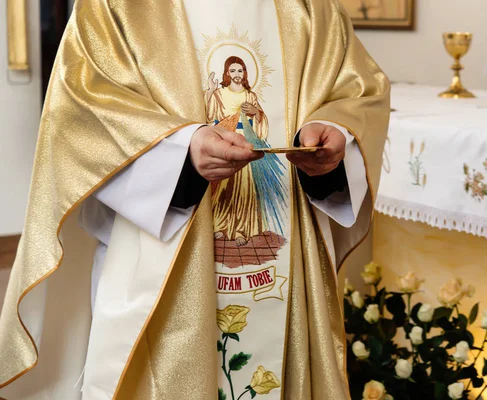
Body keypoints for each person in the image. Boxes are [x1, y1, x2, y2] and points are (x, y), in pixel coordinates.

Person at [0, 0, 390, 399]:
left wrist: (331, 131)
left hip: (288, 256)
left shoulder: (309, 8)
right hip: (159, 266)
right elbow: (82, 111)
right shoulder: (115, 6)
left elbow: (359, 92)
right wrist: (182, 152)